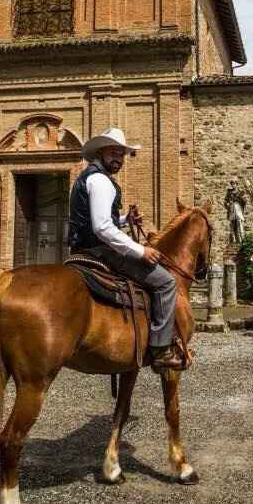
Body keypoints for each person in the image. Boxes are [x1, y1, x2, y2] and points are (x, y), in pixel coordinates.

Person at [68, 127, 180, 371]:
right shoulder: (101, 180)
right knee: (166, 282)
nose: (118, 158)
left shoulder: (90, 177)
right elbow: (102, 229)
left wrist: (124, 220)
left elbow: (97, 219)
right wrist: (141, 251)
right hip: (100, 249)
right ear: (101, 152)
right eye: (113, 152)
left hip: (83, 246)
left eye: (122, 154)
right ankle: (161, 349)